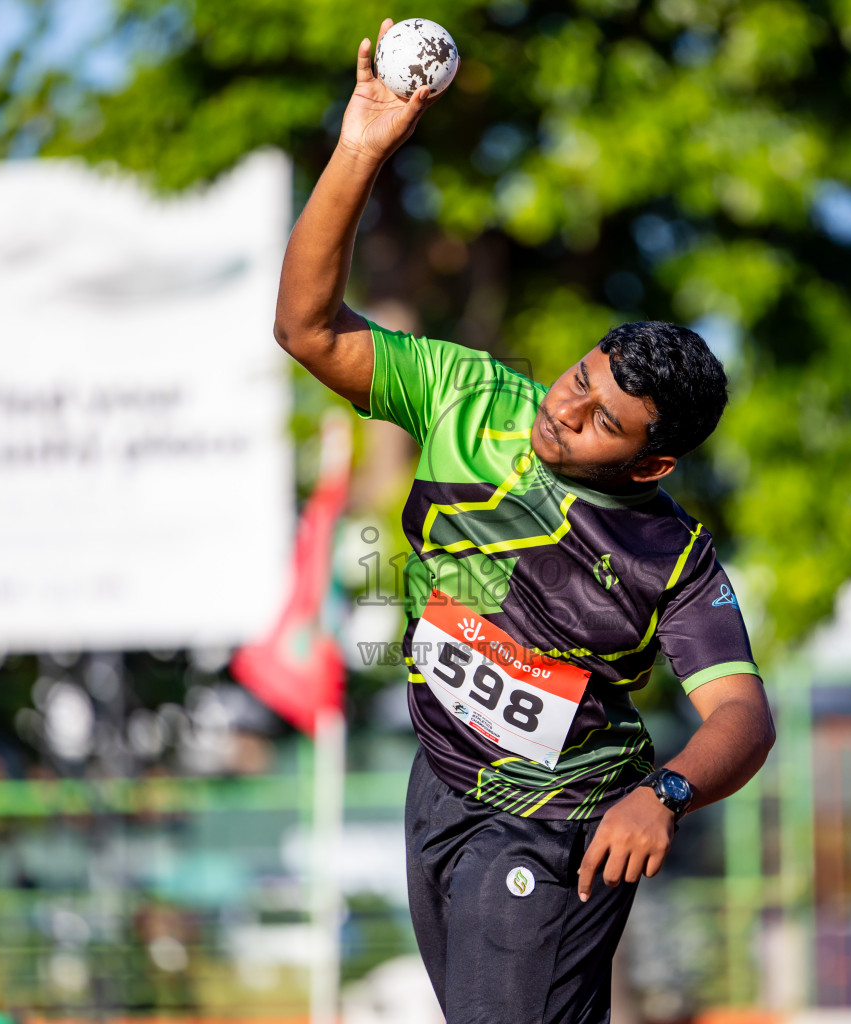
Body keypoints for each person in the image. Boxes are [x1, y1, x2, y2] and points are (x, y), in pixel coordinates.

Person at [274, 19, 776, 1024]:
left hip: (561, 823)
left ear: (653, 461)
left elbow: (743, 716)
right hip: (440, 786)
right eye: (579, 377)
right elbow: (307, 327)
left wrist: (664, 795)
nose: (566, 409)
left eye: (602, 422)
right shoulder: (467, 395)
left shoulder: (666, 554)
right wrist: (361, 149)